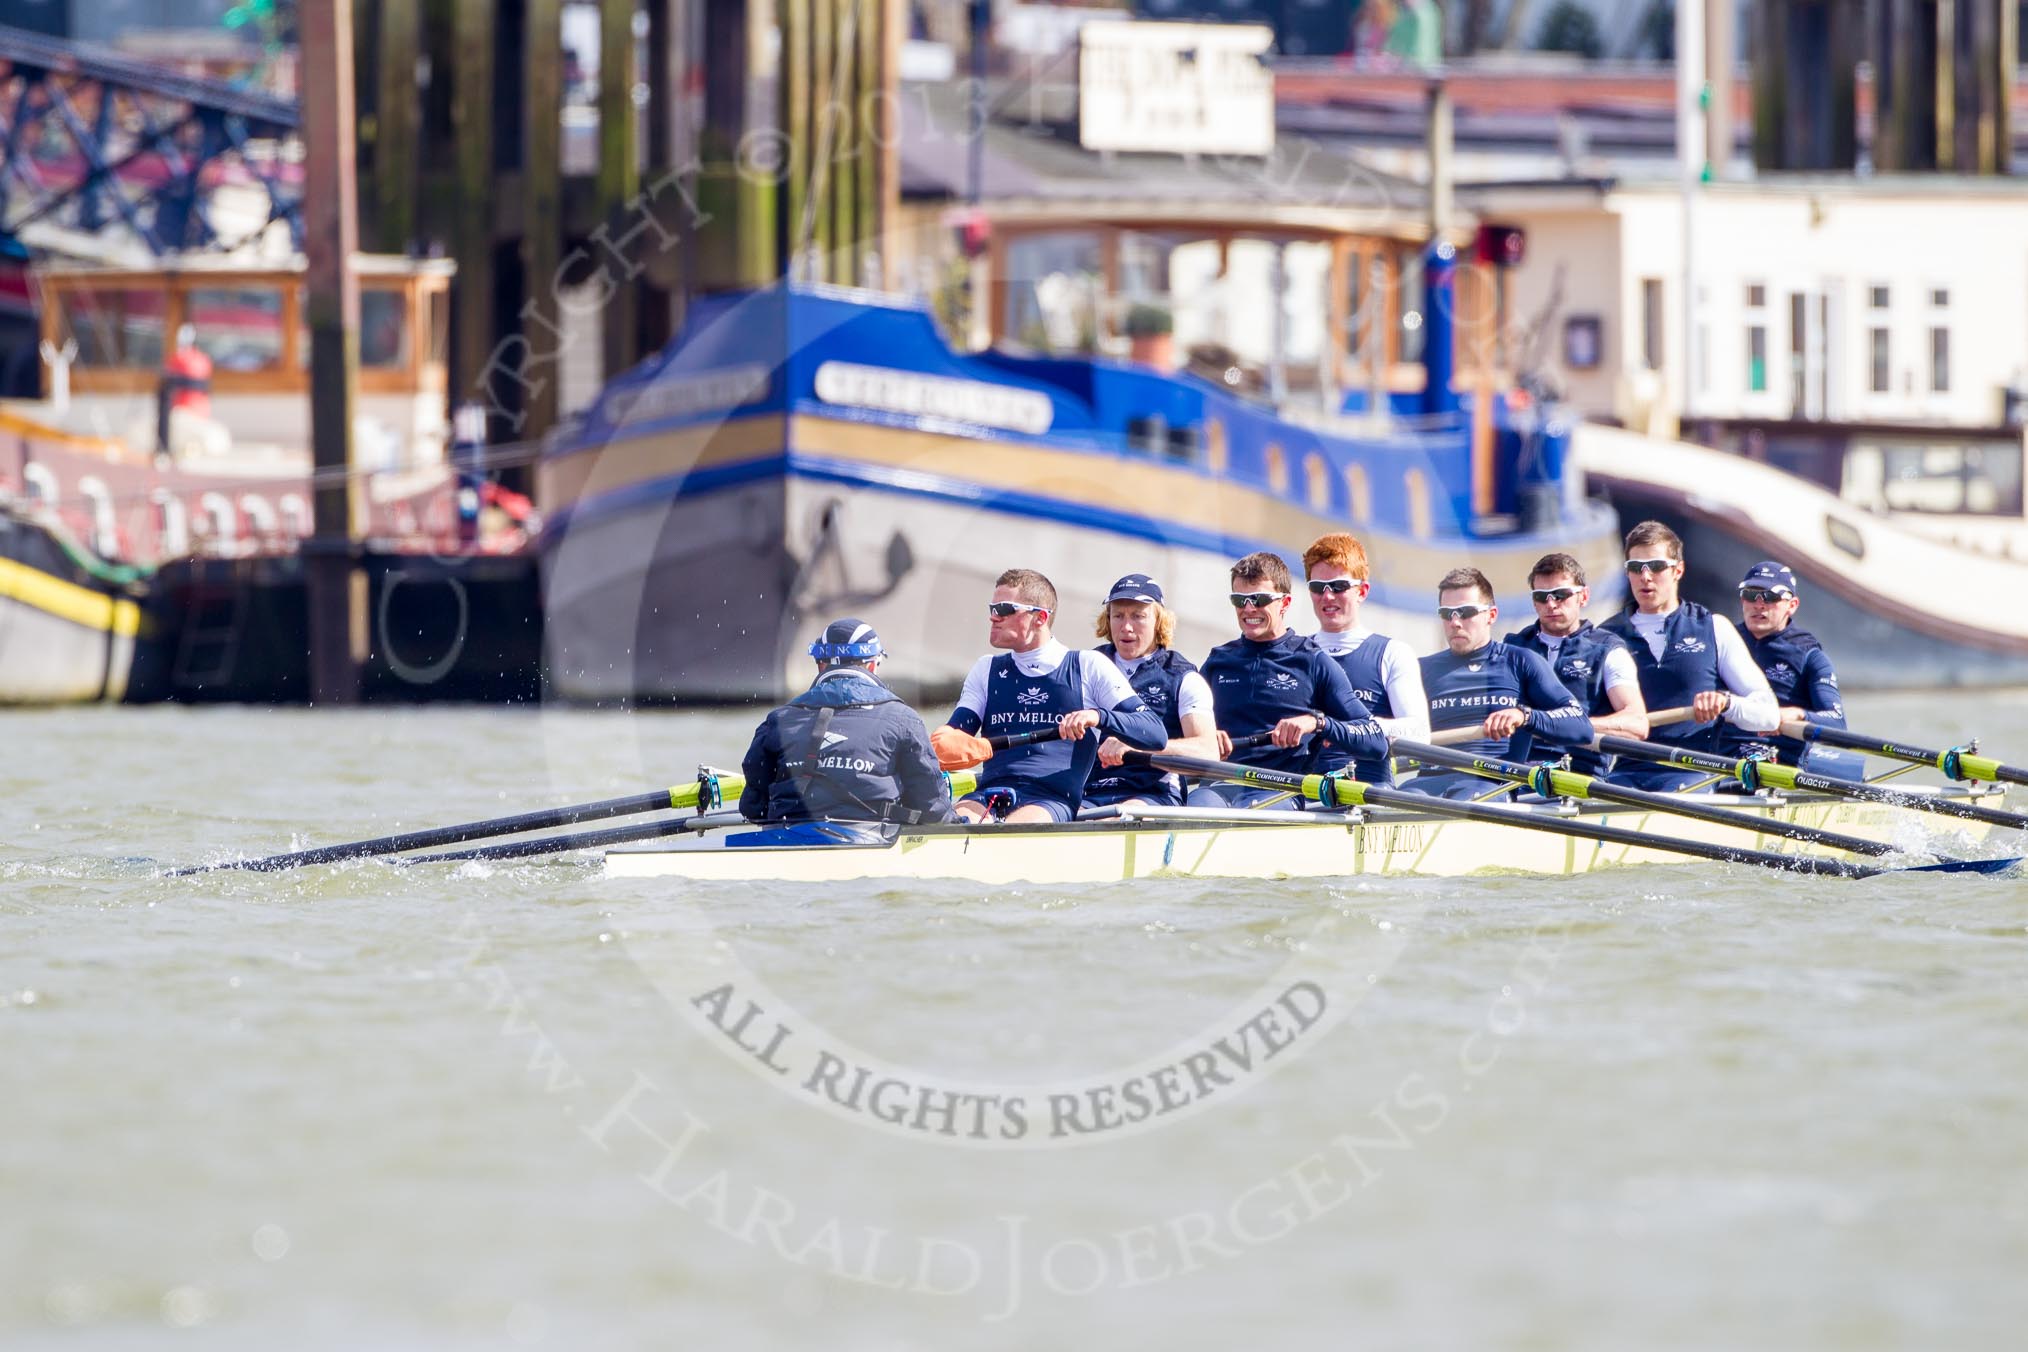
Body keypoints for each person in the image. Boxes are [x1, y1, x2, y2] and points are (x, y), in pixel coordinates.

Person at [932, 568, 1166, 823]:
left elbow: (1155, 733)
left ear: (1040, 618)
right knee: (952, 824)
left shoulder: (1087, 666)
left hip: (1050, 800)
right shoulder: (986, 668)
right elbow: (952, 736)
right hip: (987, 794)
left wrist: (1097, 716)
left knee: (1014, 831)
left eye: (1004, 609)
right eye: (992, 608)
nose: (994, 617)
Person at [1193, 551, 1389, 810]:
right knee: (1189, 812)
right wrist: (1204, 735)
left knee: (1253, 820)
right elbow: (1175, 732)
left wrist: (1317, 723)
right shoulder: (1218, 661)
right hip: (1219, 786)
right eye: (1239, 600)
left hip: (1280, 789)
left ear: (1284, 603)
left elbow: (1375, 740)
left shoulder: (1312, 661)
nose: (1248, 609)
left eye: (1259, 599)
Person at [737, 619, 954, 842]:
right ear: (872, 665)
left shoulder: (778, 719)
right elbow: (933, 810)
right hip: (869, 843)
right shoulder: (903, 718)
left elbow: (753, 808)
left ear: (820, 664)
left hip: (783, 839)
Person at [1600, 521, 1779, 791]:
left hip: (1694, 770)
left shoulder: (1713, 627)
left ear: (1678, 570)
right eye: (1636, 568)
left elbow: (1769, 715)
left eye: (1657, 567)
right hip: (1626, 772)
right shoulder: (1605, 636)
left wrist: (1725, 703)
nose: (1645, 577)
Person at [1413, 567, 1595, 798]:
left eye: (1466, 612)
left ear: (1491, 615)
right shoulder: (1419, 668)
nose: (1455, 622)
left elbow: (1581, 726)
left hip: (1487, 784)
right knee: (1388, 806)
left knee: (1465, 801)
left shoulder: (1520, 661)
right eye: (1447, 613)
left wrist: (1524, 716)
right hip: (1427, 783)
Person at [1501, 551, 1650, 777]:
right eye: (1542, 596)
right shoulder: (1513, 647)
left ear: (1584, 596)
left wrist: (1563, 725)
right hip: (1513, 774)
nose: (1551, 604)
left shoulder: (1608, 651)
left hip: (1577, 776)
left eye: (1560, 595)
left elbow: (1636, 724)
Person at [1083, 573, 1221, 809]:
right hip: (1088, 791)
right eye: (1118, 616)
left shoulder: (1182, 677)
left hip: (1152, 793)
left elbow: (1208, 752)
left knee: (1113, 820)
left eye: (1138, 616)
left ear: (1159, 621)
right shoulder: (1088, 665)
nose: (1126, 627)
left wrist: (1137, 746)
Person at [1300, 532, 1429, 784]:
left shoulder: (1393, 653)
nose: (1327, 596)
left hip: (1369, 793)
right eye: (1318, 587)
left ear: (1362, 591)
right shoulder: (1296, 654)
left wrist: (1345, 731)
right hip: (1307, 793)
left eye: (1338, 586)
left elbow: (1419, 733)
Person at [1720, 561, 1863, 776]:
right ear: (1742, 600)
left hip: (1776, 764)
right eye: (1751, 595)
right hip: (1714, 758)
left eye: (1770, 597)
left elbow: (1837, 723)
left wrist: (1796, 714)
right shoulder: (1720, 642)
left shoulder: (1809, 656)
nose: (1759, 605)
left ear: (1792, 604)